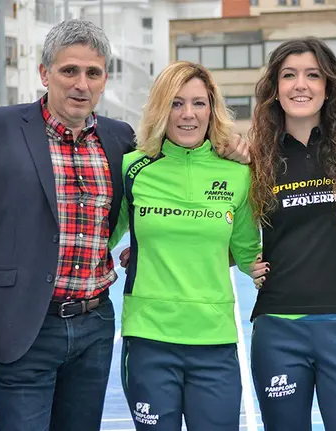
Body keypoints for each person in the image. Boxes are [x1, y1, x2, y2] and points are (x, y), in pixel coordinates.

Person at [0, 19, 249, 431]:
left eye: (93, 73)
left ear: (103, 80)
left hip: (93, 328)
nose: (81, 84)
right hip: (24, 326)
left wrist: (230, 144)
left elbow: (174, 168)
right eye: (69, 71)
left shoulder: (121, 141)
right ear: (45, 73)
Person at [106, 60, 262, 431]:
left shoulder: (238, 173)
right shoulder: (133, 167)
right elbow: (100, 238)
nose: (188, 114)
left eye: (198, 103)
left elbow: (248, 255)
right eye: (176, 103)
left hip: (214, 342)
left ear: (212, 109)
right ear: (161, 110)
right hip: (149, 341)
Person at [245, 37, 336, 431]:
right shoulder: (253, 157)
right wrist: (242, 259)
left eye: (312, 75)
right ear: (274, 88)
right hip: (278, 328)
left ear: (328, 87)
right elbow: (218, 217)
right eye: (289, 75)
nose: (300, 85)